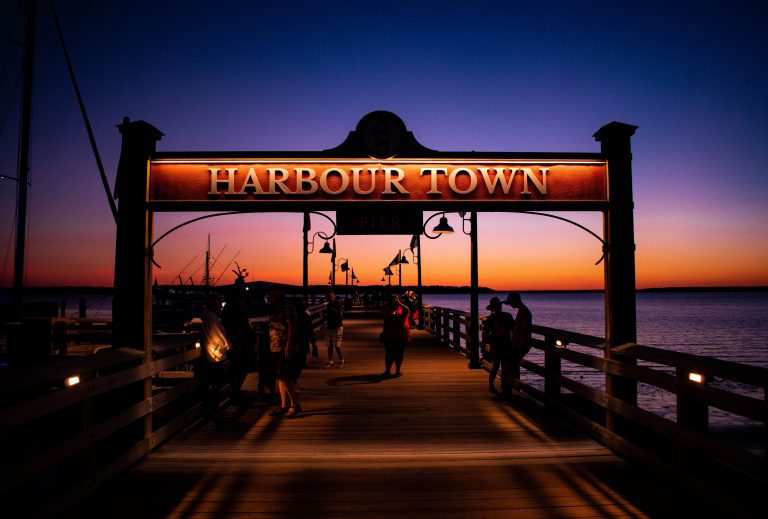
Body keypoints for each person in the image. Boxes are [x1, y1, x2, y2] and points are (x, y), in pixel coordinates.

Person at [267, 285, 302, 418]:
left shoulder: (287, 305)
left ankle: (295, 405)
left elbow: (292, 325)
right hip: (275, 345)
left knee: (287, 376)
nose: (269, 295)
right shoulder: (274, 306)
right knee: (280, 376)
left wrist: (289, 345)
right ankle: (284, 405)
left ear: (279, 292)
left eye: (272, 292)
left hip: (284, 345)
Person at [221, 285, 256, 406]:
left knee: (237, 368)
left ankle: (235, 392)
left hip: (235, 342)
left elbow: (225, 324)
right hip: (238, 342)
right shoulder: (236, 308)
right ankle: (235, 392)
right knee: (240, 368)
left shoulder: (229, 307)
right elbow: (240, 325)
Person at [200, 294, 231, 417]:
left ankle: (209, 408)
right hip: (214, 354)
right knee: (215, 383)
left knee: (210, 383)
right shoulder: (212, 319)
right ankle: (214, 409)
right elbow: (221, 336)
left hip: (209, 353)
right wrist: (229, 346)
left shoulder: (207, 317)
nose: (220, 307)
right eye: (219, 304)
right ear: (214, 304)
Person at [482, 296, 515, 397]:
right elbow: (513, 330)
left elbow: (486, 335)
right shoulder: (508, 316)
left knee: (495, 366)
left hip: (496, 345)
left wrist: (483, 347)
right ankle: (504, 387)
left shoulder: (490, 319)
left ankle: (491, 385)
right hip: (506, 345)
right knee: (505, 367)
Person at [503, 292, 533, 396]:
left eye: (510, 302)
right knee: (511, 367)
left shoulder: (524, 312)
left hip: (521, 345)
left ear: (515, 300)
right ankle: (509, 391)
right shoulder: (521, 311)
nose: (510, 305)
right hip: (517, 345)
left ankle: (507, 392)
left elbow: (525, 331)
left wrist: (519, 347)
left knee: (512, 368)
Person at [380, 295, 410, 377]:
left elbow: (407, 310)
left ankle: (397, 371)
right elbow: (382, 310)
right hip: (389, 334)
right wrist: (389, 303)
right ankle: (388, 371)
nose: (394, 302)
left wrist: (399, 303)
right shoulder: (387, 310)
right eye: (392, 300)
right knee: (389, 353)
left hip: (401, 335)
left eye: (395, 300)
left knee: (399, 353)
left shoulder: (402, 310)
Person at [294, 299, 318, 366]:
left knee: (298, 349)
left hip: (297, 335)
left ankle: (298, 362)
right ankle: (303, 363)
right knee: (304, 350)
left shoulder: (295, 315)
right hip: (305, 335)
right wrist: (312, 339)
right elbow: (310, 327)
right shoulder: (306, 315)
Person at [324, 292, 345, 368]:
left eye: (330, 296)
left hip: (337, 327)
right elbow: (327, 315)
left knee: (337, 345)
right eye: (328, 296)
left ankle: (342, 360)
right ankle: (330, 361)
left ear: (334, 297)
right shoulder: (328, 305)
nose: (329, 298)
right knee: (329, 345)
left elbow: (340, 315)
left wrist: (334, 312)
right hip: (330, 327)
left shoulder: (337, 304)